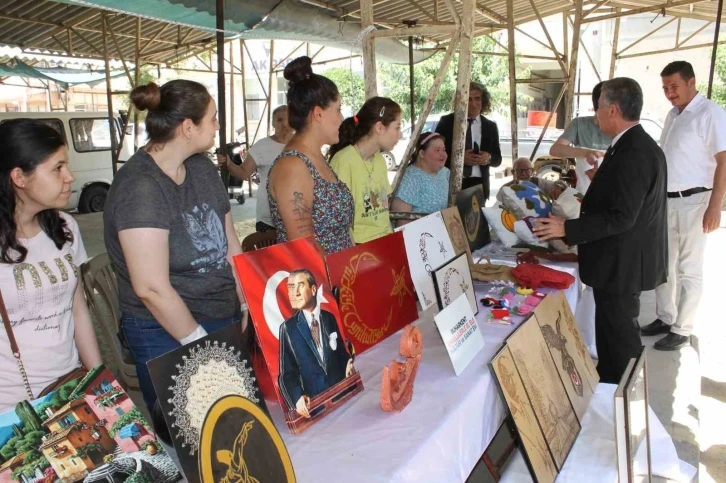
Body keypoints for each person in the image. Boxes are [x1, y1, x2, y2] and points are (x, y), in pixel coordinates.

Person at [104, 80, 246, 411]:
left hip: (220, 313)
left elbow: (230, 245)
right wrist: (201, 346)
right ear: (187, 127)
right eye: (213, 118)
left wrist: (246, 305)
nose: (217, 126)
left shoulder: (202, 168)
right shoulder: (141, 187)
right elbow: (151, 288)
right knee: (193, 426)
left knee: (236, 418)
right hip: (167, 329)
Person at [533, 78, 667, 384]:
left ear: (613, 110)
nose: (596, 116)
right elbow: (622, 198)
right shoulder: (630, 145)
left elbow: (622, 217)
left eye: (599, 108)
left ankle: (625, 398)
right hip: (617, 260)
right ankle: (608, 385)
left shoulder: (634, 152)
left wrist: (567, 227)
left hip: (622, 262)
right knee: (609, 336)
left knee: (620, 341)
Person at [0, 120, 101, 411]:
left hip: (69, 385)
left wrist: (98, 379)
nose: (70, 176)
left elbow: (78, 309)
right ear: (19, 177)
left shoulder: (65, 227)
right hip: (11, 404)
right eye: (57, 168)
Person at [641, 61, 726, 351]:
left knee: (689, 269)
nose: (669, 93)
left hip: (696, 201)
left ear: (691, 82)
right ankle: (665, 317)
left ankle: (682, 328)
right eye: (665, 88)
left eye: (674, 86)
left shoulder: (710, 113)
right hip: (666, 201)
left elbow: (724, 161)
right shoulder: (673, 115)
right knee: (663, 263)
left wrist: (715, 206)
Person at [268, 56, 354, 254]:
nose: (342, 118)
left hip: (342, 268)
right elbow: (304, 246)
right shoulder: (293, 166)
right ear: (318, 114)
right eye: (338, 109)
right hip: (318, 273)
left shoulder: (315, 158)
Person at [278, 269, 355, 418]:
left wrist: (348, 363)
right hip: (315, 407)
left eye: (300, 286)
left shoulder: (329, 318)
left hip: (341, 396)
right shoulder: (288, 328)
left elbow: (340, 353)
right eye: (291, 288)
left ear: (313, 290)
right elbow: (287, 374)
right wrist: (297, 398)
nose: (295, 293)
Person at [329, 97, 401, 244]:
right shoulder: (343, 161)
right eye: (397, 127)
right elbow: (340, 220)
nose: (400, 134)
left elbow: (384, 213)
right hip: (360, 247)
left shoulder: (380, 160)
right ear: (379, 127)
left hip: (384, 242)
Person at [220, 105, 294, 232]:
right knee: (267, 245)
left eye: (289, 119)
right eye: (280, 120)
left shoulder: (303, 144)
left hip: (296, 216)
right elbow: (243, 173)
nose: (285, 124)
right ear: (273, 123)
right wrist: (229, 164)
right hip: (267, 217)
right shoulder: (262, 146)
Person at [435, 82, 502, 199]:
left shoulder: (490, 126)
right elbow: (435, 154)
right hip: (450, 182)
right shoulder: (447, 122)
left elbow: (498, 159)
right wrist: (459, 159)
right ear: (460, 101)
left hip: (480, 185)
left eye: (477, 98)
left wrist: (488, 157)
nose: (473, 103)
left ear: (483, 101)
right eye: (468, 99)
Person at [550, 81, 613, 194]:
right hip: (583, 195)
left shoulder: (620, 130)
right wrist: (586, 153)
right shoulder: (579, 124)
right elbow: (555, 149)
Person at [390, 132, 450, 227]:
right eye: (437, 150)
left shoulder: (445, 172)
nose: (443, 154)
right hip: (419, 233)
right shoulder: (410, 178)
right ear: (422, 153)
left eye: (444, 150)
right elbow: (402, 223)